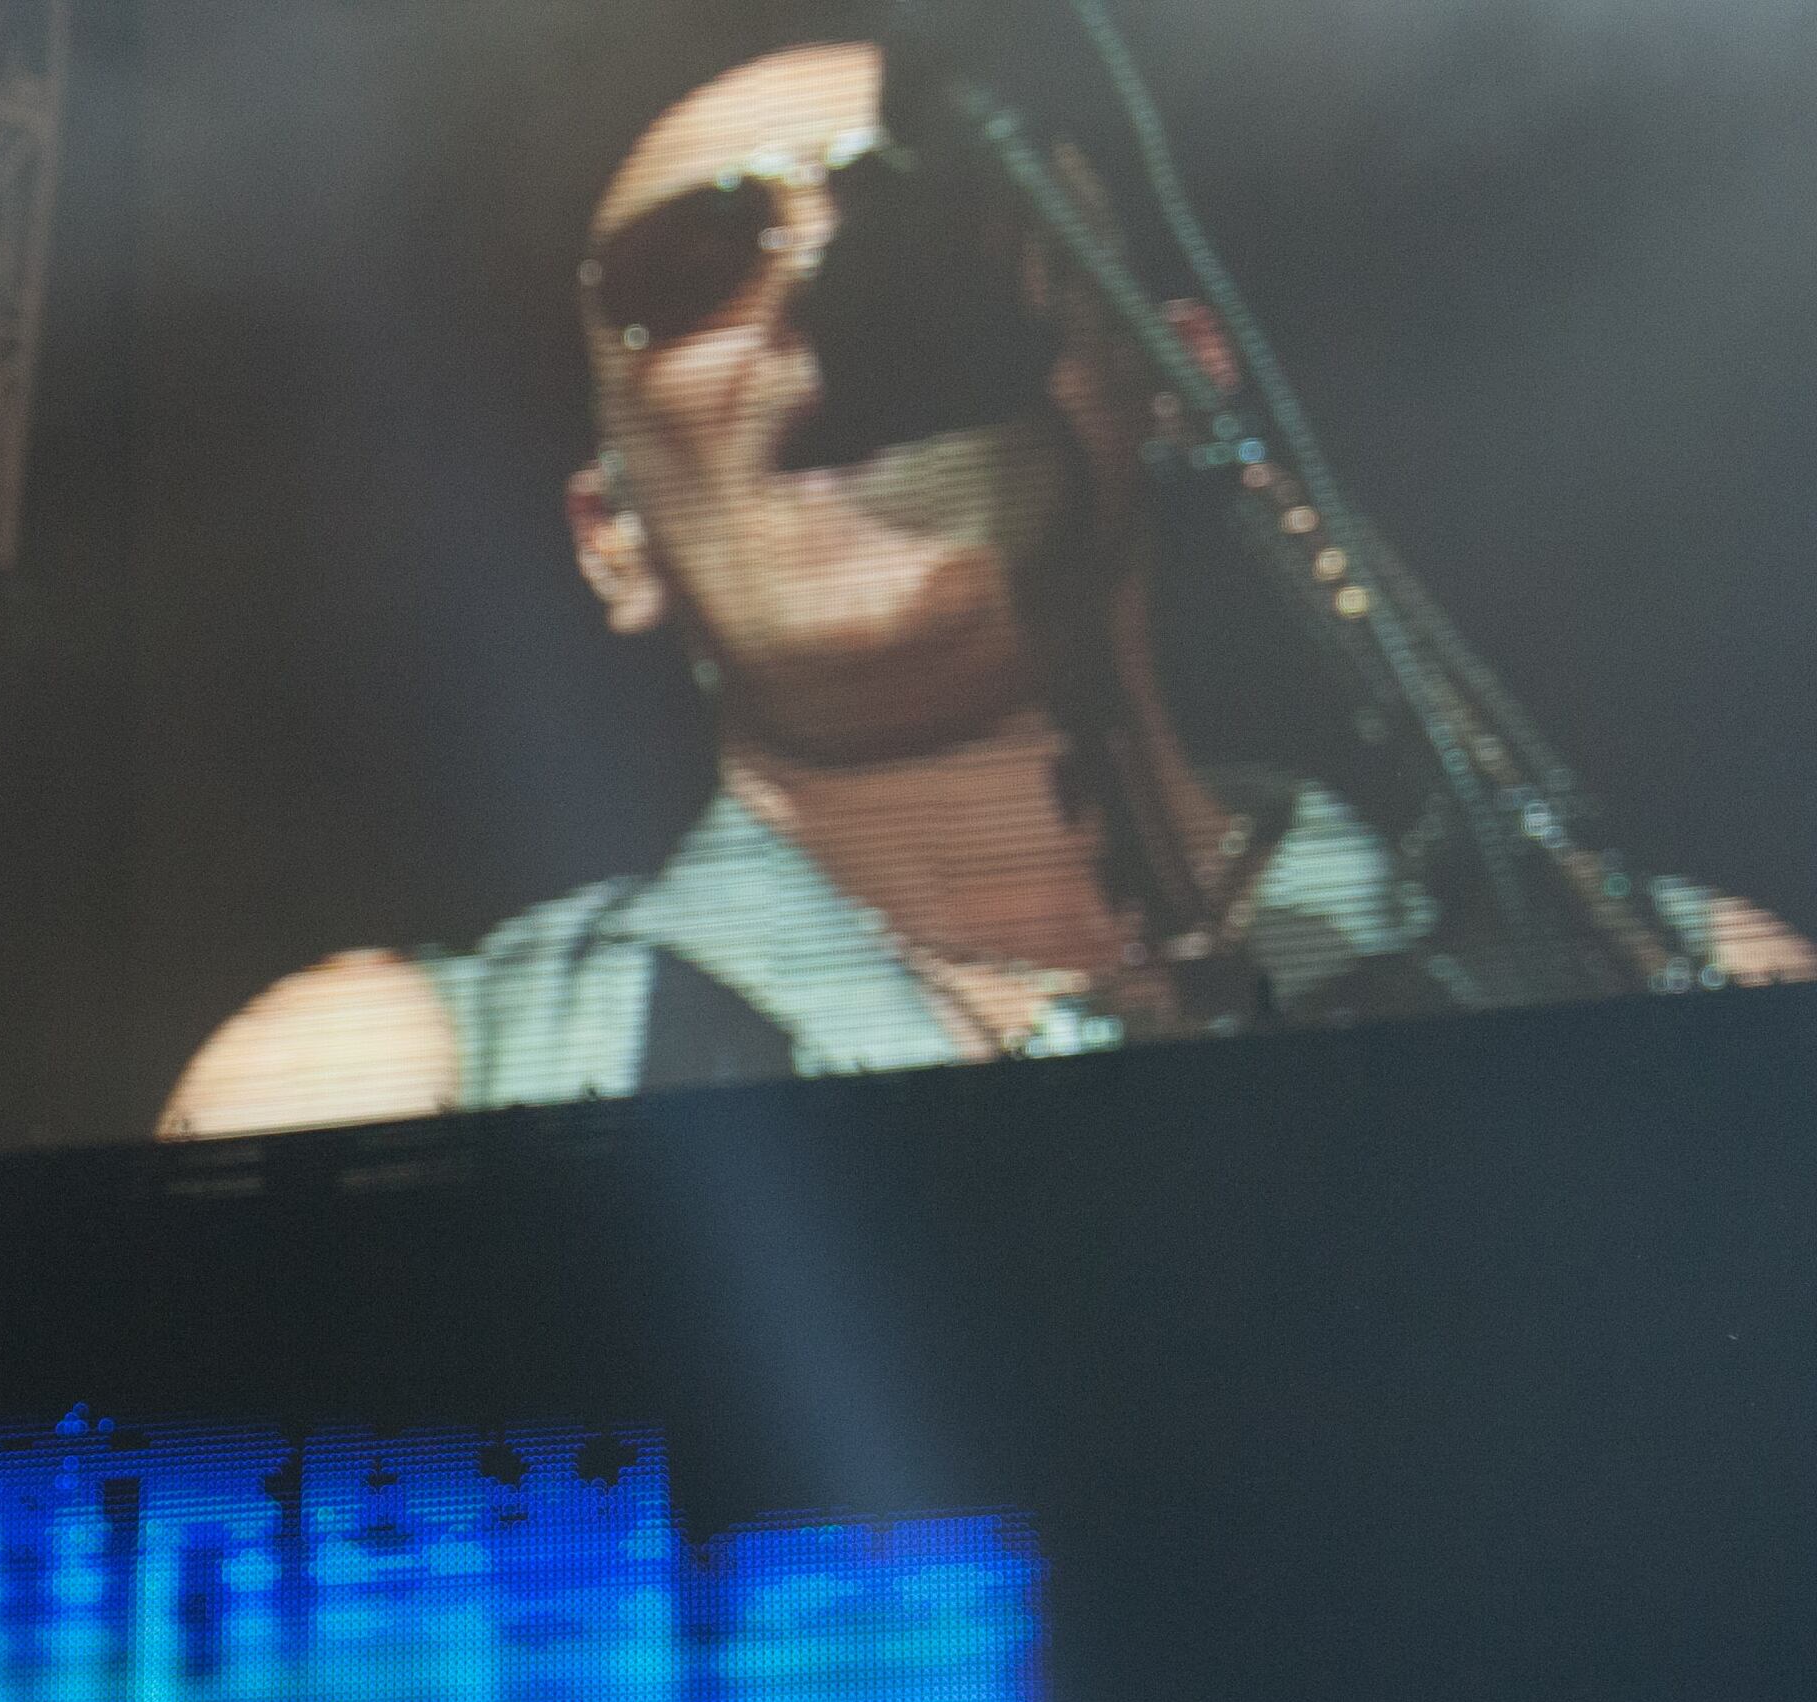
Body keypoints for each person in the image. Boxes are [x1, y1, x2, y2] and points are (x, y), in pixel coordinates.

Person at [160, 33, 1809, 1139]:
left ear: (1173, 378)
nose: (817, 292)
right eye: (694, 271)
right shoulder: (404, 1089)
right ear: (612, 538)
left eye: (920, 233)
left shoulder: (1664, 993)